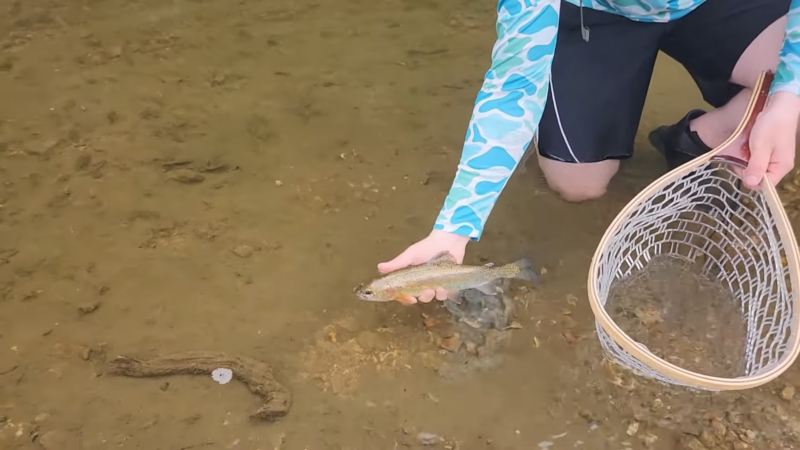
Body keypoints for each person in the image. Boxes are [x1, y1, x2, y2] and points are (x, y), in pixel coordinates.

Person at [378, 0, 800, 305]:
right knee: (578, 184)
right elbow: (514, 88)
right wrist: (455, 227)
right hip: (595, 13)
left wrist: (788, 92)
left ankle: (700, 138)